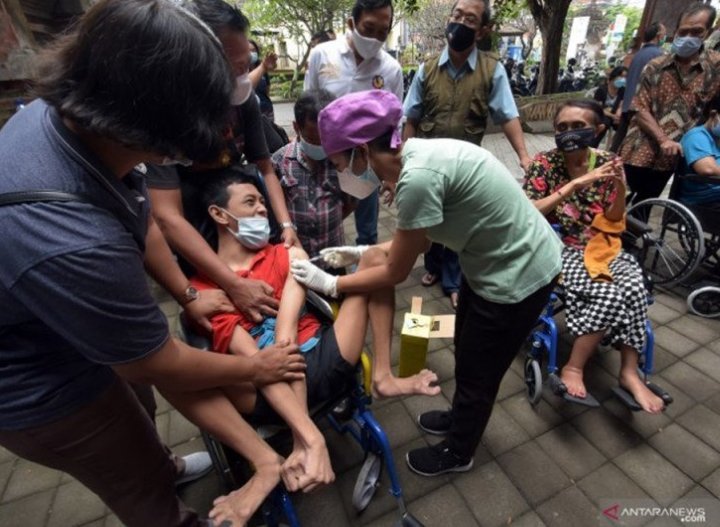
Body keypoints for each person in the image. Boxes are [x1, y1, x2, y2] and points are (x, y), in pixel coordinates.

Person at [0, 2, 307, 527]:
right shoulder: (74, 239)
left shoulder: (80, 124)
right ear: (162, 129)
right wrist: (256, 366)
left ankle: (164, 463)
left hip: (77, 327)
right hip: (43, 387)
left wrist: (188, 294)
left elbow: (140, 219)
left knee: (139, 411)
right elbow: (154, 363)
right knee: (136, 484)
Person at [291, 90, 562, 476]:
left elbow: (395, 272)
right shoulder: (419, 156)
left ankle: (459, 451)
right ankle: (460, 417)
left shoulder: (417, 179)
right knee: (467, 351)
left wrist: (332, 285)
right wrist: (362, 252)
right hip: (490, 263)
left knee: (479, 372)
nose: (339, 173)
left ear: (361, 151)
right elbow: (419, 239)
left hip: (518, 276)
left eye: (338, 163)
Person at [188, 169, 421, 488]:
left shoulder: (287, 253)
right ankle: (305, 435)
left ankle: (382, 377)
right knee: (238, 366)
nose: (262, 209)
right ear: (219, 214)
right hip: (264, 386)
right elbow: (256, 362)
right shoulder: (204, 290)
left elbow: (286, 338)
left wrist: (302, 438)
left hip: (321, 357)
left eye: (263, 202)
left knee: (375, 257)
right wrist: (306, 433)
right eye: (250, 202)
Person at [147, 0, 300, 325]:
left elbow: (265, 168)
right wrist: (231, 283)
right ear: (195, 63)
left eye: (248, 65)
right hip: (195, 223)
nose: (244, 78)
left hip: (238, 199)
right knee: (224, 314)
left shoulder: (242, 100)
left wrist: (286, 226)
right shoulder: (164, 115)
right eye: (235, 68)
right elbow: (167, 217)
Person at [523, 100, 665, 415]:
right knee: (608, 294)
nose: (569, 133)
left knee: (634, 288)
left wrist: (619, 188)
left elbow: (614, 218)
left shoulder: (609, 161)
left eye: (579, 126)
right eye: (562, 127)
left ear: (598, 129)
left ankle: (629, 372)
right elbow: (529, 211)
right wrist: (576, 184)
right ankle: (573, 367)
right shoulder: (544, 163)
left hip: (602, 244)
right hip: (560, 245)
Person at [403, 0, 533, 311]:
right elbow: (411, 116)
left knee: (458, 221)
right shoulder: (427, 68)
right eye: (457, 15)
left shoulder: (492, 70)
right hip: (428, 164)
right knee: (429, 217)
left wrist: (524, 155)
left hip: (464, 167)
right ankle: (433, 267)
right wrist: (403, 160)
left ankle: (454, 280)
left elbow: (507, 115)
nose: (460, 23)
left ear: (483, 30)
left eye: (470, 20)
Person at [304, 0, 403, 248]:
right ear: (351, 23)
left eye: (383, 32)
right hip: (327, 158)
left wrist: (390, 174)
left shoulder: (391, 69)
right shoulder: (322, 54)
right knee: (323, 222)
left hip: (367, 162)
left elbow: (395, 125)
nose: (375, 38)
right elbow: (307, 104)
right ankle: (330, 266)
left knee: (367, 232)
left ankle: (363, 269)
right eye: (369, 29)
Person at [619, 4, 720, 204]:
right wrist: (663, 139)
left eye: (696, 32)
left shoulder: (715, 68)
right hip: (640, 147)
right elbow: (639, 107)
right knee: (620, 199)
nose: (688, 37)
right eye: (684, 31)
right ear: (676, 31)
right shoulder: (656, 66)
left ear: (708, 32)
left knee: (647, 203)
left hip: (675, 155)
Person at [272, 90, 356, 258]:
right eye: (312, 139)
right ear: (296, 127)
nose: (320, 146)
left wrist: (328, 223)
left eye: (326, 139)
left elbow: (352, 201)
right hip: (297, 256)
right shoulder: (280, 161)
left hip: (333, 254)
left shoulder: (343, 161)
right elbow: (275, 203)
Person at [610, 22, 666, 153]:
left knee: (618, 144)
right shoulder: (658, 55)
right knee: (632, 149)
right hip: (641, 109)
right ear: (659, 36)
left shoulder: (638, 55)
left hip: (628, 105)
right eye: (664, 34)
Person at [679, 109, 720, 208]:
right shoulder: (696, 136)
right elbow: (708, 169)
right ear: (713, 115)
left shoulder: (717, 138)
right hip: (706, 197)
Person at [592, 65, 626, 147]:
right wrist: (613, 116)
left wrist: (618, 115)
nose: (623, 79)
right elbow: (598, 108)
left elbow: (621, 105)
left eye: (625, 77)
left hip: (614, 116)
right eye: (621, 76)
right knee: (605, 123)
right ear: (614, 76)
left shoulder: (622, 90)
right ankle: (592, 146)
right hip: (602, 114)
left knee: (623, 125)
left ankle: (615, 149)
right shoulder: (602, 90)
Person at [248, 39, 277, 121]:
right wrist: (263, 67)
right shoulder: (240, 71)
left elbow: (267, 91)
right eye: (248, 50)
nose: (252, 53)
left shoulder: (263, 70)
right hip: (250, 114)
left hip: (266, 110)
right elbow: (246, 89)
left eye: (254, 50)